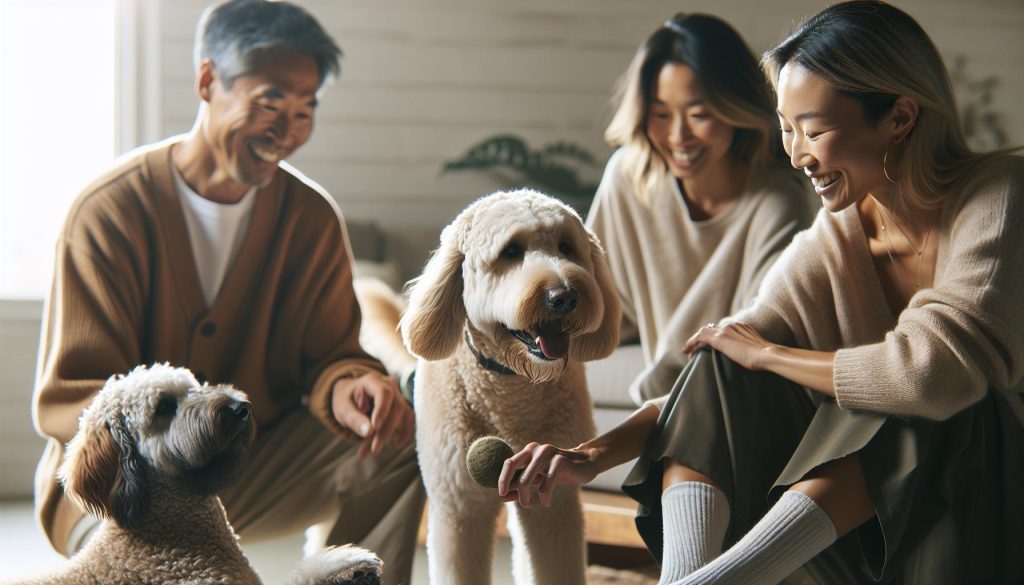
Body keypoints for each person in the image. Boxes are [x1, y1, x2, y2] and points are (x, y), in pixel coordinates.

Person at [499, 2, 1024, 584]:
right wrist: (593, 453)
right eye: (787, 129)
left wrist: (770, 355)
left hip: (989, 503)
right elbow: (725, 362)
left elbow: (932, 376)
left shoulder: (998, 197)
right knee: (725, 358)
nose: (798, 155)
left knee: (918, 394)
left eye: (816, 130)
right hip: (881, 531)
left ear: (899, 117)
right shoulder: (839, 234)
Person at [31, 2, 424, 584]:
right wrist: (173, 434)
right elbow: (78, 401)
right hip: (127, 489)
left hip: (249, 466)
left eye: (304, 110)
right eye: (269, 102)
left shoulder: (312, 219)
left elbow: (332, 353)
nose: (287, 129)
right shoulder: (107, 214)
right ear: (208, 81)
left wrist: (348, 384)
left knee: (398, 440)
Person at [586, 13, 816, 405]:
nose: (678, 136)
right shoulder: (628, 175)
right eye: (660, 114)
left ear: (735, 108)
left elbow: (756, 332)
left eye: (698, 115)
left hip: (731, 392)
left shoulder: (777, 201)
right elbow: (596, 300)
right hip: (666, 381)